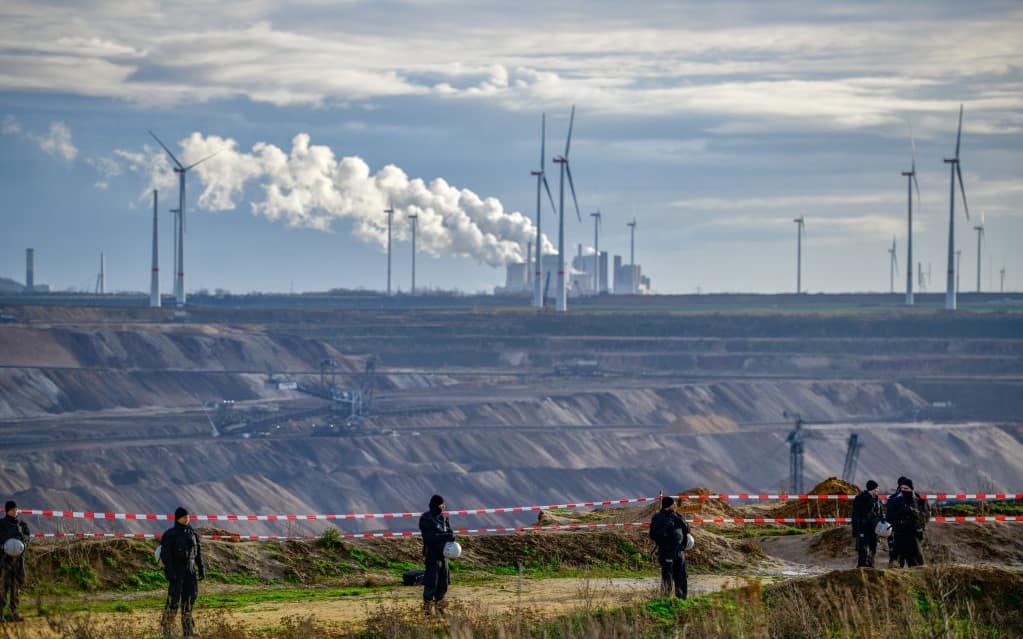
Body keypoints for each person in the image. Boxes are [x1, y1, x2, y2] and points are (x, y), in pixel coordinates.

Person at [159, 507, 205, 638]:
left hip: (190, 570)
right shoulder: (170, 534)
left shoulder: (192, 533)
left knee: (189, 599)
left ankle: (188, 631)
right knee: (173, 600)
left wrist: (201, 567)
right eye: (184, 517)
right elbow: (165, 555)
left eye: (188, 516)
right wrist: (170, 572)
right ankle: (167, 631)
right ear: (178, 518)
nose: (187, 518)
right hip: (177, 569)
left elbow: (198, 552)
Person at [418, 494, 455, 615]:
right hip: (432, 555)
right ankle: (427, 610)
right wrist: (445, 536)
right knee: (431, 583)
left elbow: (449, 532)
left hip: (443, 555)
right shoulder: (426, 518)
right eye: (442, 504)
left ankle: (440, 609)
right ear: (436, 504)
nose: (444, 506)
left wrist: (451, 536)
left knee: (443, 583)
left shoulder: (443, 518)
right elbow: (428, 538)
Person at [648, 496, 691, 598]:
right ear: (668, 505)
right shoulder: (658, 517)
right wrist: (666, 528)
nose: (675, 505)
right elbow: (653, 534)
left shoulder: (677, 515)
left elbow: (687, 530)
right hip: (666, 551)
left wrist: (683, 523)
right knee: (667, 576)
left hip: (679, 552)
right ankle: (665, 599)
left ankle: (681, 599)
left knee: (681, 576)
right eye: (673, 504)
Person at [885, 477, 929, 567]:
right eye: (902, 488)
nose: (904, 491)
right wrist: (900, 512)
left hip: (913, 534)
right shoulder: (894, 500)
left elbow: (925, 517)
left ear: (911, 489)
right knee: (896, 564)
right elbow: (889, 517)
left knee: (915, 563)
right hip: (899, 534)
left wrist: (914, 513)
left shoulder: (919, 500)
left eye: (906, 489)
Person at [0, 501, 30, 622]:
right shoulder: (1, 524)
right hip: (3, 561)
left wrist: (24, 544)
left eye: (16, 509)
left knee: (15, 588)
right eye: (12, 510)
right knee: (2, 587)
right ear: (7, 511)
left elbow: (28, 537)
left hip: (18, 561)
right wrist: (2, 546)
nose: (15, 511)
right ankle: (0, 615)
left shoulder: (21, 525)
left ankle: (14, 613)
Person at [851, 480, 883, 567]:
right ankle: (862, 567)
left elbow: (880, 512)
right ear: (872, 489)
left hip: (874, 528)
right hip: (863, 527)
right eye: (876, 489)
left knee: (874, 547)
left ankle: (871, 565)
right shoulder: (861, 498)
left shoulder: (877, 500)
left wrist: (881, 521)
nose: (877, 491)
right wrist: (855, 529)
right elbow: (855, 514)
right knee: (863, 549)